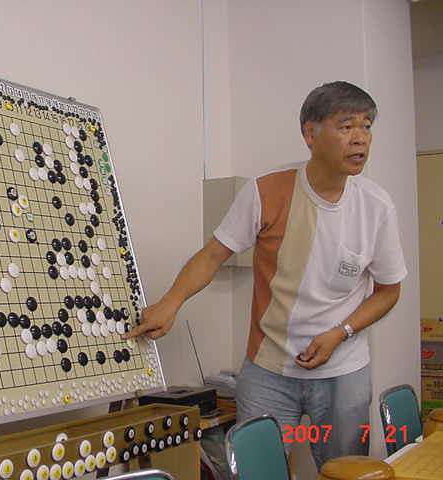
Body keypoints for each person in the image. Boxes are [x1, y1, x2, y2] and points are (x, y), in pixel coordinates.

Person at [124, 81, 407, 469]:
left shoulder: (376, 206)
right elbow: (213, 254)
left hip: (344, 372)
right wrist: (171, 303)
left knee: (345, 470)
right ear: (310, 133)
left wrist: (340, 333)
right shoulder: (267, 191)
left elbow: (388, 291)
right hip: (268, 371)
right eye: (346, 126)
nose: (360, 138)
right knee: (259, 468)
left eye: (367, 126)